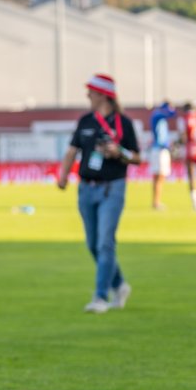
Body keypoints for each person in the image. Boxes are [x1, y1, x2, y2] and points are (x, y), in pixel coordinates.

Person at [56, 74, 140, 313]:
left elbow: (137, 157)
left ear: (104, 95)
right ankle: (119, 284)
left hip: (112, 188)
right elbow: (72, 151)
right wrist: (63, 175)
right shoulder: (85, 121)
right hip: (86, 188)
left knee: (105, 243)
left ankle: (101, 297)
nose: (88, 96)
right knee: (93, 244)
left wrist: (119, 152)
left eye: (91, 92)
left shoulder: (123, 123)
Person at [148, 101, 177, 210]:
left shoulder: (161, 118)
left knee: (160, 177)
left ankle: (156, 201)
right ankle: (156, 202)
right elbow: (173, 114)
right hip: (158, 150)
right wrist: (171, 109)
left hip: (161, 149)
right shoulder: (157, 114)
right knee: (159, 176)